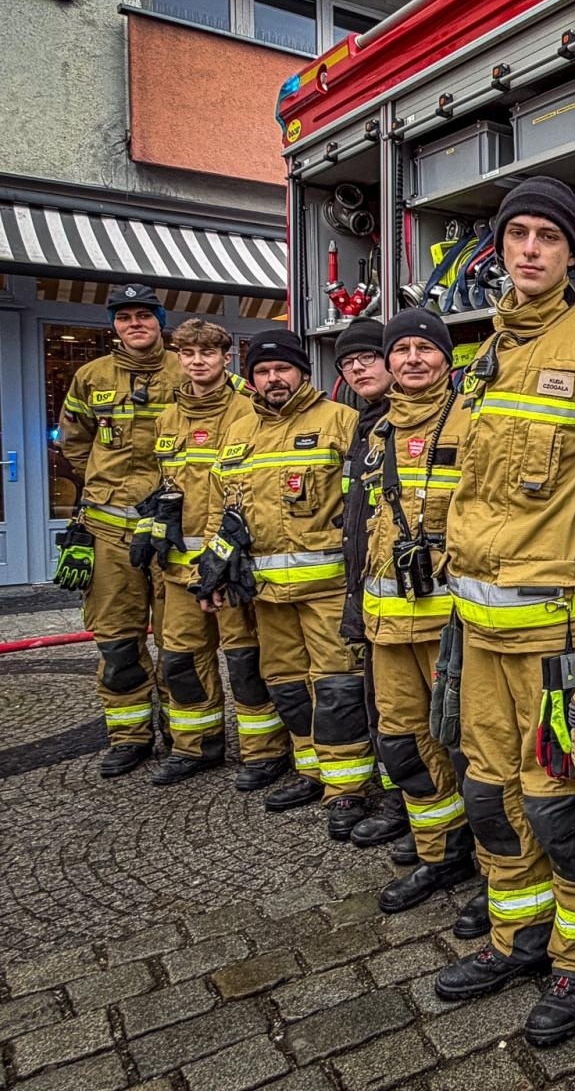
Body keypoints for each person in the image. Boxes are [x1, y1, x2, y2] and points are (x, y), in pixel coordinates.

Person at [436, 177, 575, 1048]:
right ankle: (517, 937)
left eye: (548, 238)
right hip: (481, 634)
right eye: (517, 236)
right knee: (490, 795)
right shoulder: (483, 358)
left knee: (564, 806)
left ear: (573, 254)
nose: (530, 250)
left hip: (567, 640)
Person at [204, 330, 369, 838]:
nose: (273, 378)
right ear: (251, 377)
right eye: (261, 371)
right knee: (288, 686)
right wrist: (209, 569)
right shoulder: (237, 434)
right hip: (266, 598)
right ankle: (311, 772)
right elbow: (220, 510)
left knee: (337, 690)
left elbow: (365, 509)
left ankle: (348, 790)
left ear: (303, 372)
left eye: (282, 369)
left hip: (327, 592)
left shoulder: (342, 423)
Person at [359, 309, 486, 937]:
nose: (412, 359)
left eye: (425, 349)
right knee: (404, 743)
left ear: (446, 357)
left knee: (469, 749)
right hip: (386, 624)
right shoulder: (378, 429)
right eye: (401, 349)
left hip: (450, 625)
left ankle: (495, 870)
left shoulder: (472, 419)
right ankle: (439, 853)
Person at [143, 317, 290, 788]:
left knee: (245, 660)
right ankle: (195, 746)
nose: (197, 362)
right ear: (179, 358)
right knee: (182, 659)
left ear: (225, 358)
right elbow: (162, 486)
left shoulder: (249, 412)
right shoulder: (167, 417)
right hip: (177, 569)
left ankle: (263, 752)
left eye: (207, 353)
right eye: (188, 354)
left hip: (229, 568)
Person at [55, 283, 184, 777]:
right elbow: (75, 442)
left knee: (180, 643)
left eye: (144, 315)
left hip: (172, 531)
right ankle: (129, 736)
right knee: (117, 642)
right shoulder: (91, 377)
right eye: (125, 316)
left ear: (159, 321)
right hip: (108, 532)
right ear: (114, 325)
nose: (135, 324)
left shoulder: (186, 372)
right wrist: (104, 487)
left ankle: (188, 736)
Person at [334, 318, 414, 861]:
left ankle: (415, 812)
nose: (358, 367)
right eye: (348, 362)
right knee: (381, 706)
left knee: (413, 718)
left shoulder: (413, 425)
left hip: (411, 598)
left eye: (368, 357)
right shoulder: (365, 428)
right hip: (369, 589)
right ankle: (398, 800)